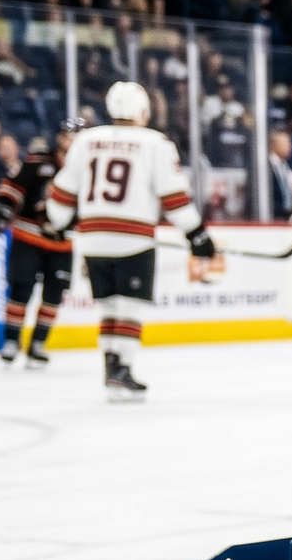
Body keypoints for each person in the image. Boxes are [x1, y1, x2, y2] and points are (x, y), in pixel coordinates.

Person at [44, 82, 215, 402]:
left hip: (92, 238)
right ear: (141, 111)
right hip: (133, 239)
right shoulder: (156, 143)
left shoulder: (86, 140)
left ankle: (111, 367)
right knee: (131, 306)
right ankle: (122, 368)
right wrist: (196, 233)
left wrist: (57, 222)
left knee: (108, 305)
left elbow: (61, 191)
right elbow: (174, 197)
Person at [0, 122, 77, 368]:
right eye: (68, 135)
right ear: (60, 138)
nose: (72, 139)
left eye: (77, 135)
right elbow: (14, 186)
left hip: (63, 242)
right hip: (29, 237)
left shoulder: (88, 168)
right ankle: (12, 342)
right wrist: (2, 209)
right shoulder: (39, 161)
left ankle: (37, 345)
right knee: (21, 290)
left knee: (54, 295)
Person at [266, 129, 292, 218]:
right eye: (286, 144)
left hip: (288, 214)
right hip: (274, 215)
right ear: (275, 145)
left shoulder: (285, 166)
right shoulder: (268, 166)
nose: (290, 147)